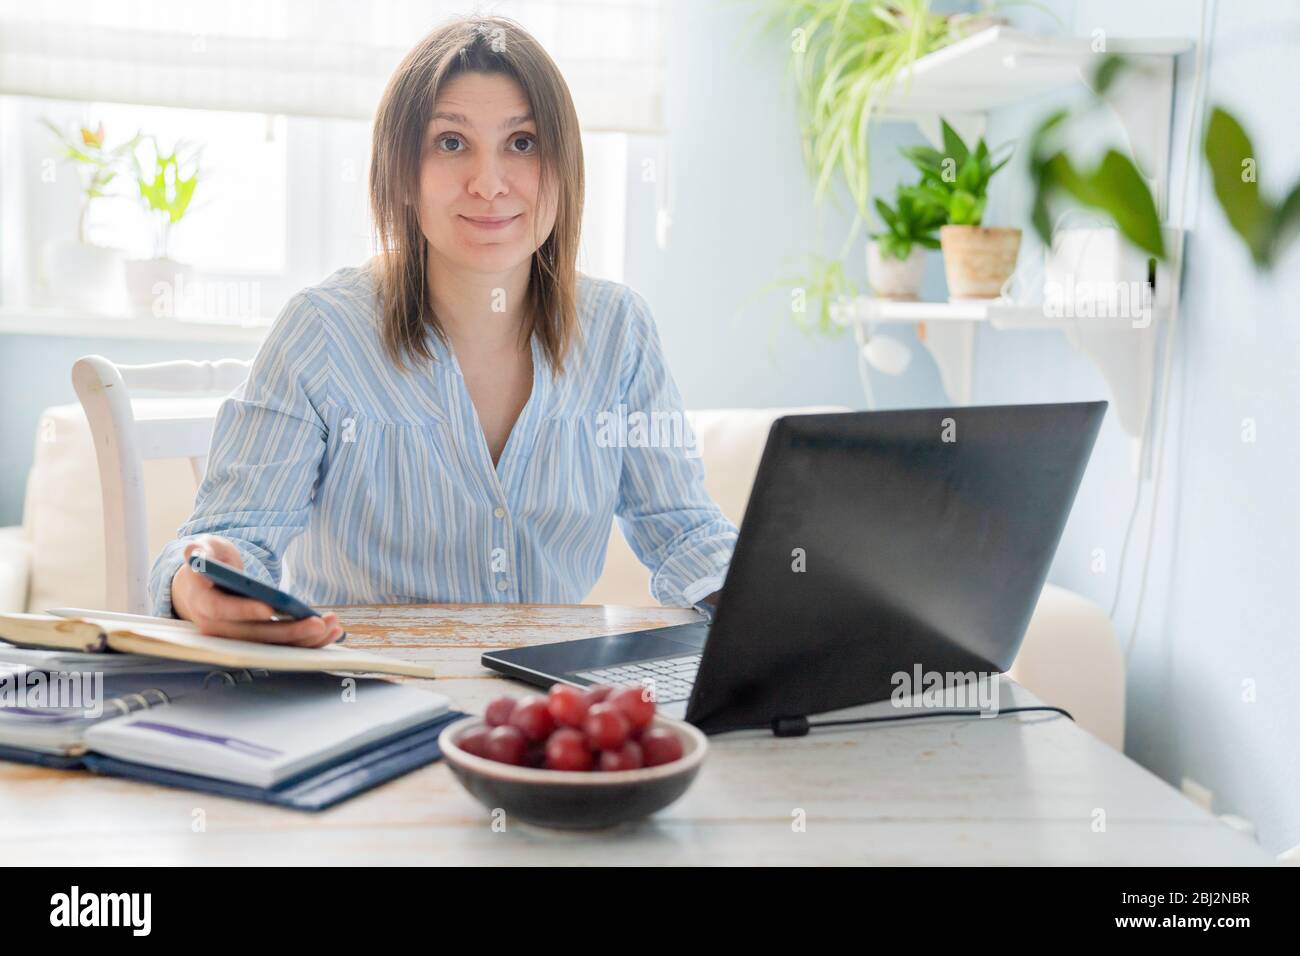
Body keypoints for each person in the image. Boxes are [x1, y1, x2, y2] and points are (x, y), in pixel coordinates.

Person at [148, 15, 737, 646]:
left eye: (523, 143)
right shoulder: (321, 331)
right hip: (366, 693)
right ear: (403, 173)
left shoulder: (619, 331)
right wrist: (200, 577)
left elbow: (684, 532)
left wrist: (774, 605)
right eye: (451, 143)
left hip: (542, 704)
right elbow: (233, 535)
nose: (488, 183)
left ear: (564, 167)